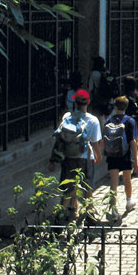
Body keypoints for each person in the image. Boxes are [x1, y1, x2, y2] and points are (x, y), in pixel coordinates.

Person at [48, 88, 102, 217]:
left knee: (68, 188)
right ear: (88, 102)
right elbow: (95, 143)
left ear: (75, 103)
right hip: (85, 158)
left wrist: (53, 159)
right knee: (87, 187)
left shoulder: (67, 117)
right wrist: (99, 156)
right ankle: (90, 214)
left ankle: (62, 215)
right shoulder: (93, 120)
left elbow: (60, 139)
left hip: (68, 157)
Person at [102, 96, 138, 219]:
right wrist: (136, 160)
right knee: (127, 179)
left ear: (115, 107)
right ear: (126, 107)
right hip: (125, 155)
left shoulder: (109, 120)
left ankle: (113, 208)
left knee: (114, 182)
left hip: (112, 155)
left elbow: (103, 138)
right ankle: (129, 202)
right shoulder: (130, 121)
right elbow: (133, 142)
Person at [122, 75, 138, 176]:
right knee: (135, 143)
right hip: (137, 122)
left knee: (131, 145)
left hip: (128, 123)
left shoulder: (125, 98)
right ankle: (137, 163)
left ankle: (134, 165)